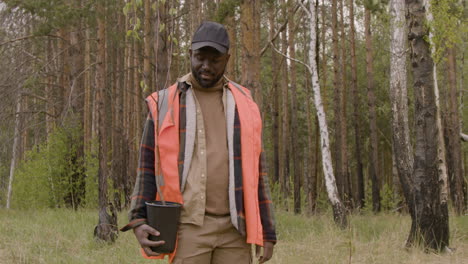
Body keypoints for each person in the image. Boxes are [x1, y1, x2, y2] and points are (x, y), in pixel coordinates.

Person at [121, 21, 276, 264]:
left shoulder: (245, 104)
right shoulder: (164, 104)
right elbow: (147, 165)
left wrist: (267, 230)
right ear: (189, 54)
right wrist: (139, 220)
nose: (206, 66)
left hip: (236, 229)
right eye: (200, 57)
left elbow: (258, 172)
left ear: (227, 59)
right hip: (187, 227)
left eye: (215, 60)